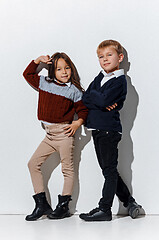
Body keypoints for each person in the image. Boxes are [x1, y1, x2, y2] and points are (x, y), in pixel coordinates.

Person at [79, 40, 142, 221]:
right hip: (97, 129)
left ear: (120, 57)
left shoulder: (119, 80)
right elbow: (86, 98)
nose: (105, 59)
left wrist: (98, 99)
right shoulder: (100, 77)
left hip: (109, 130)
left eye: (109, 55)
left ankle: (105, 209)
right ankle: (130, 203)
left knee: (109, 171)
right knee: (109, 170)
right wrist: (97, 99)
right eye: (101, 56)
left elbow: (102, 100)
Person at [23, 52, 88, 221]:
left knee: (67, 170)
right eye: (59, 69)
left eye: (67, 68)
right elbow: (28, 74)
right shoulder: (44, 82)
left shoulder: (74, 91)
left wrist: (77, 122)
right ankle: (41, 203)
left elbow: (83, 110)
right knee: (33, 164)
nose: (64, 72)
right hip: (49, 135)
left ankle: (64, 205)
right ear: (53, 71)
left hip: (64, 135)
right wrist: (38, 60)